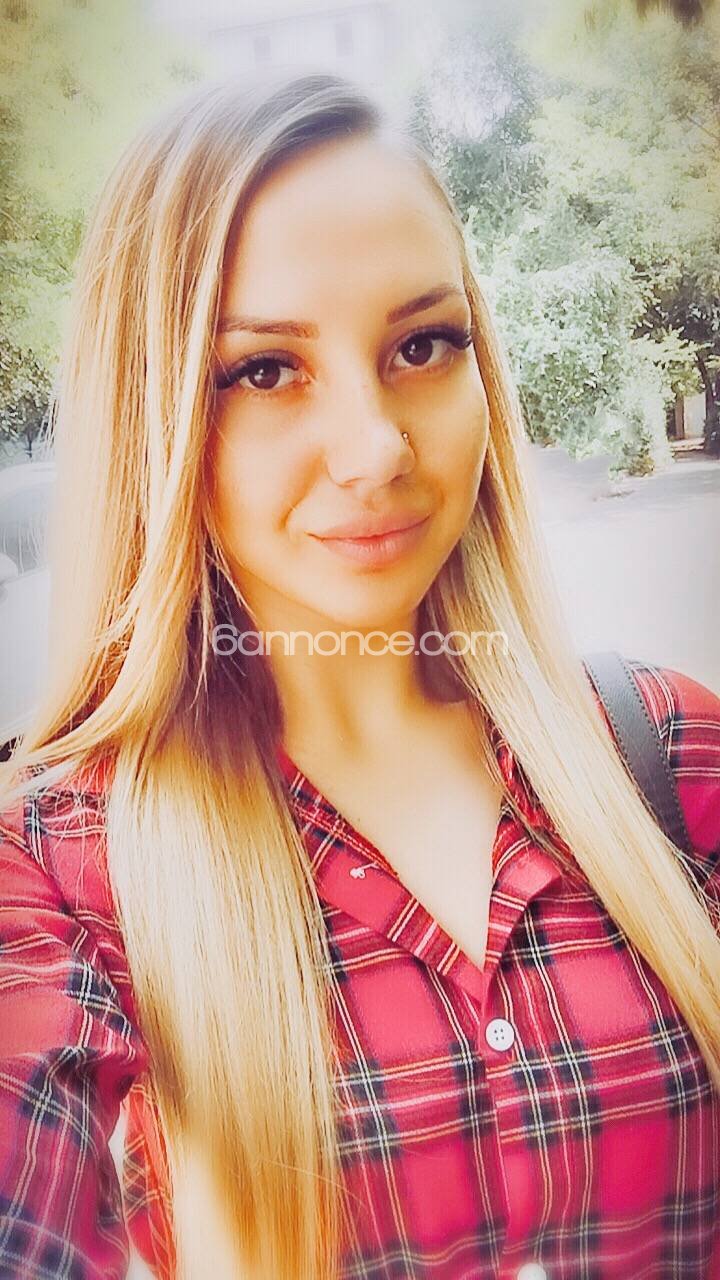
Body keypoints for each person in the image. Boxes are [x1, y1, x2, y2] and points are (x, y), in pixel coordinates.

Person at [0, 71, 719, 1280]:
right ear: (156, 415)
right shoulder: (55, 866)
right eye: (264, 370)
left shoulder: (670, 748)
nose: (377, 448)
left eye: (422, 345)